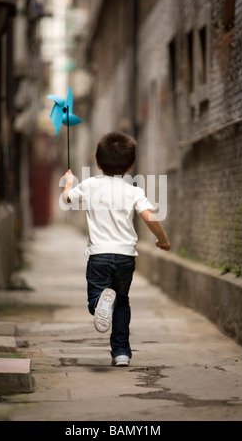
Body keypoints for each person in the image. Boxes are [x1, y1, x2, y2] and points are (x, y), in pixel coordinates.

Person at [63, 131, 170, 367]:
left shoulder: (90, 185)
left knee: (97, 299)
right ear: (131, 165)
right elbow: (148, 216)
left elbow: (68, 199)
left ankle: (99, 302)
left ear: (97, 162)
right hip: (125, 256)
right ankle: (121, 353)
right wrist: (162, 239)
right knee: (122, 301)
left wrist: (69, 183)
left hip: (99, 254)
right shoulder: (133, 190)